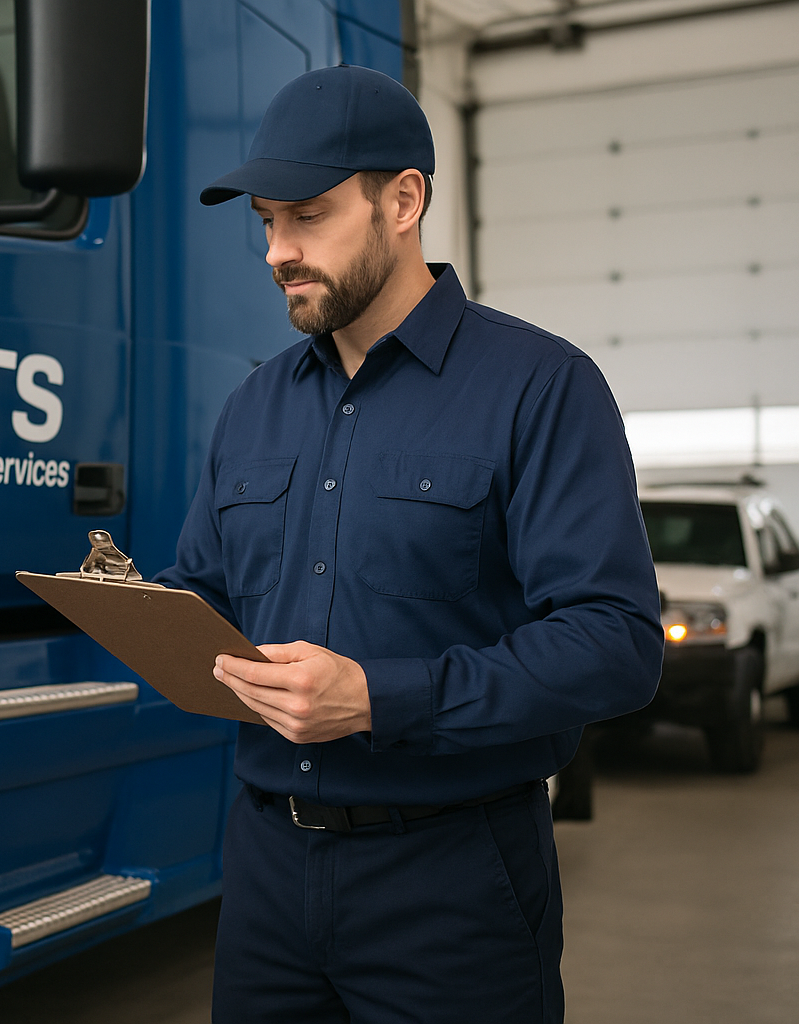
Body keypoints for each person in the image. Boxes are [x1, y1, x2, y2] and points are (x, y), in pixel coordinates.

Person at [151, 64, 663, 1022]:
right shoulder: (252, 406)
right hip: (264, 876)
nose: (277, 251)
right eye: (267, 221)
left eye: (308, 216)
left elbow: (617, 643)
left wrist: (380, 698)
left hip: (452, 881)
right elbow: (207, 590)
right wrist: (143, 613)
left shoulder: (541, 387)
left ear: (404, 201)